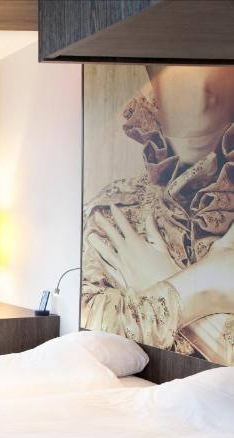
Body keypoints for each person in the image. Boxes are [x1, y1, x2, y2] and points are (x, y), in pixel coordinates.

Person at [82, 65, 234, 366]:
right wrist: (199, 285)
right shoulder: (116, 208)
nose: (200, 101)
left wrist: (166, 284)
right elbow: (91, 316)